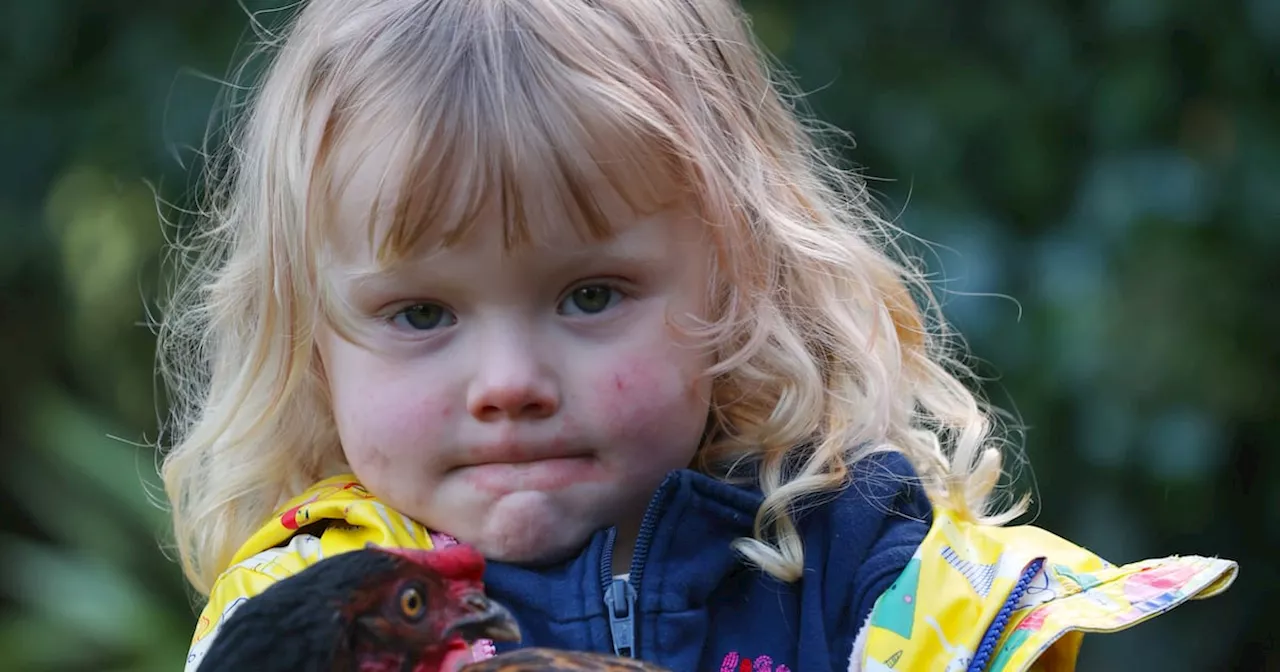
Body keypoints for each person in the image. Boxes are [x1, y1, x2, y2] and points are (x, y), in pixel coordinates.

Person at [159, 1, 1237, 670]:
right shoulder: (314, 617)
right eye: (421, 313)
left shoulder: (874, 580)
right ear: (310, 339)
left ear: (736, 277)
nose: (509, 383)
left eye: (588, 295)